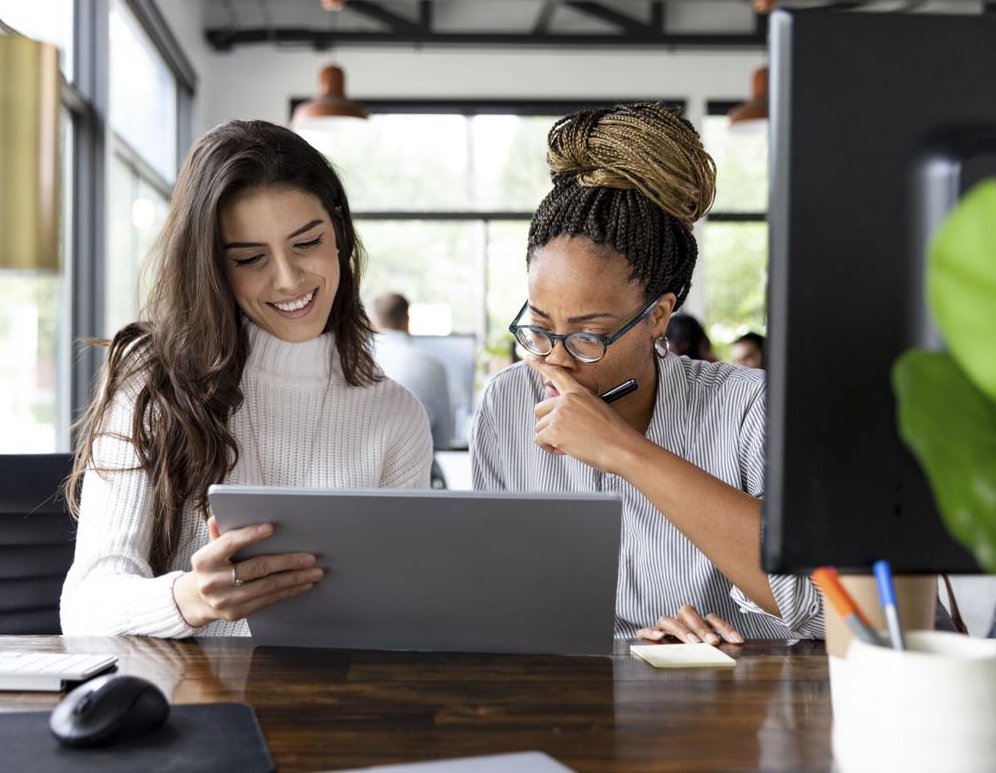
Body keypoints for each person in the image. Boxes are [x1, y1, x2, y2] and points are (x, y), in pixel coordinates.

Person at [60, 120, 432, 638]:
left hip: (334, 703)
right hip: (187, 706)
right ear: (213, 267)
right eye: (250, 258)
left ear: (340, 232)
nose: (288, 279)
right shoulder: (153, 382)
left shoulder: (396, 415)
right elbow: (84, 608)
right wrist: (190, 599)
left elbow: (401, 608)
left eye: (307, 243)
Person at [471, 103, 823, 644]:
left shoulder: (751, 407)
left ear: (658, 316)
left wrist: (624, 452)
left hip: (735, 711)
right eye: (539, 328)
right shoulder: (508, 403)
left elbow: (819, 604)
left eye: (588, 336)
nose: (555, 360)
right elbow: (496, 597)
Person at [371, 292, 455, 451]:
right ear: (407, 320)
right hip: (416, 461)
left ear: (373, 322)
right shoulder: (433, 366)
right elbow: (443, 440)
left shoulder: (355, 362)